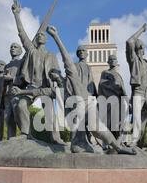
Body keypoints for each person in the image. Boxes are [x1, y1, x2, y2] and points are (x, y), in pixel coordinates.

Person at [14, 25, 135, 155]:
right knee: (76, 141)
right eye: (51, 75)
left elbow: (66, 58)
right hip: (77, 113)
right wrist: (21, 92)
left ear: (60, 73)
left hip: (86, 104)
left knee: (96, 127)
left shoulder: (71, 75)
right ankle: (84, 145)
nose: (53, 75)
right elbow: (38, 92)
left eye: (54, 73)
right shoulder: (58, 89)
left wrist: (56, 37)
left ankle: (118, 147)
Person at [11, 0, 63, 144]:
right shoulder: (32, 51)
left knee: (50, 112)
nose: (40, 35)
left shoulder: (51, 56)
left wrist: (57, 83)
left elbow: (57, 74)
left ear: (46, 40)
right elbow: (22, 35)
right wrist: (16, 15)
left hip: (46, 88)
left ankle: (55, 137)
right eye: (38, 35)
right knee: (21, 105)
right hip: (31, 87)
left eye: (42, 35)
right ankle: (26, 134)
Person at [98, 54, 128, 140]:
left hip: (119, 100)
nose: (112, 61)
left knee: (119, 120)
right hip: (110, 99)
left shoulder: (118, 75)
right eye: (110, 60)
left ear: (117, 61)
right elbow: (102, 84)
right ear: (108, 62)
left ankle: (119, 139)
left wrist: (127, 99)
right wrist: (114, 86)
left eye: (114, 59)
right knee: (110, 121)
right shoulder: (105, 73)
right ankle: (110, 141)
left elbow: (123, 88)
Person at [4, 42, 23, 139]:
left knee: (18, 116)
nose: (12, 48)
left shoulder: (22, 62)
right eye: (11, 47)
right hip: (7, 94)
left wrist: (12, 78)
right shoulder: (7, 65)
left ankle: (26, 136)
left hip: (17, 92)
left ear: (20, 50)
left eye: (15, 47)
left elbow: (24, 78)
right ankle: (10, 138)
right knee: (8, 118)